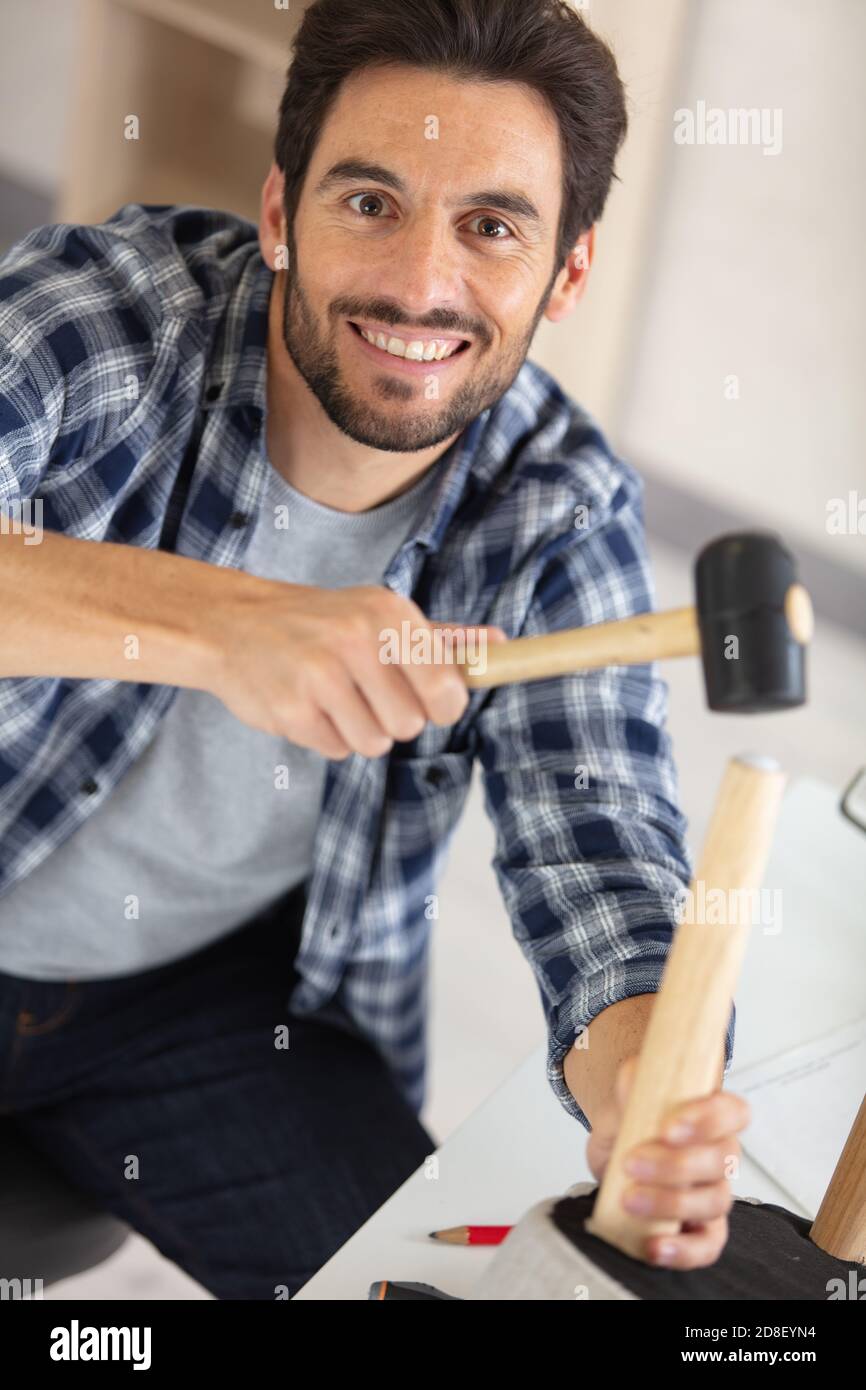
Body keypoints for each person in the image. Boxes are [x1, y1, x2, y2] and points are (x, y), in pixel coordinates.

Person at [0, 0, 748, 1298]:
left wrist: (638, 1080)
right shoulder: (109, 315)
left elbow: (601, 844)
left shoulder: (554, 510)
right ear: (281, 211)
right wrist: (228, 623)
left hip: (210, 1005)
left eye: (491, 226)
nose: (418, 282)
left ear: (565, 272)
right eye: (368, 202)